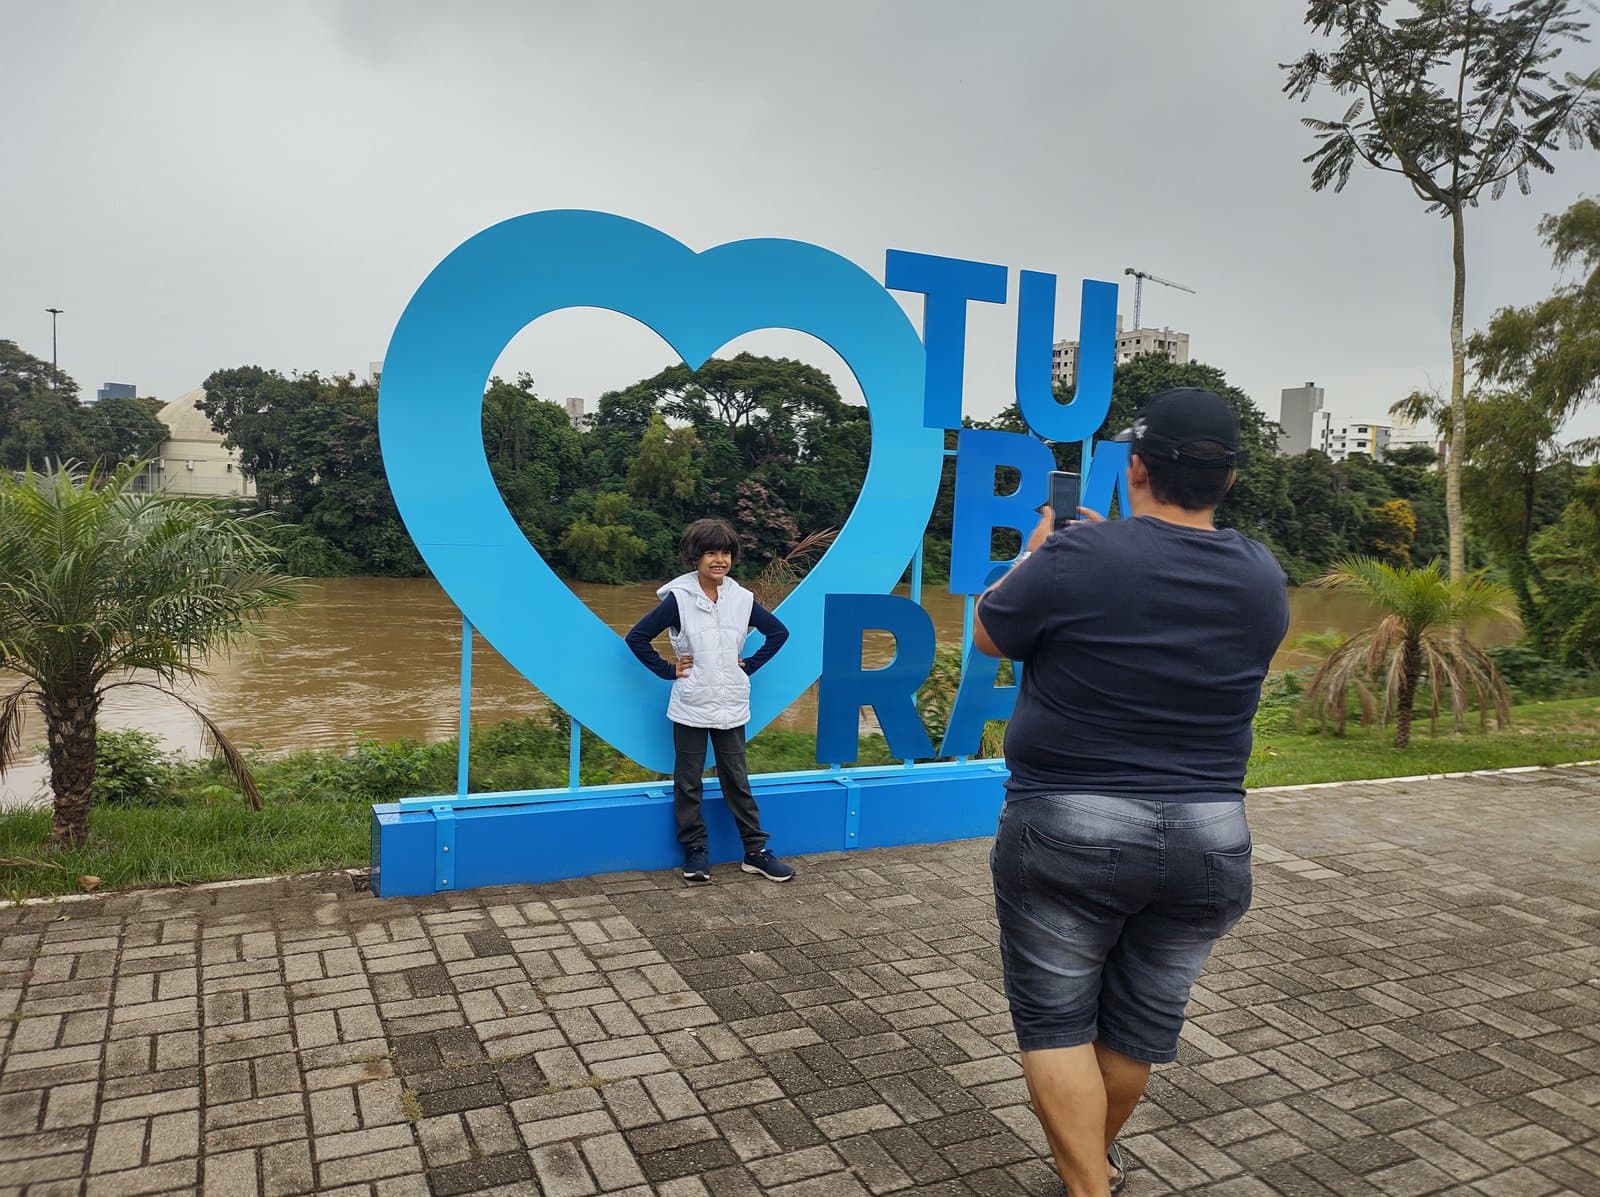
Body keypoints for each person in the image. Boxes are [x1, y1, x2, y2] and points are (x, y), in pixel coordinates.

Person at [973, 388, 1289, 1196]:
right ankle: (1097, 1165)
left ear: (1137, 467)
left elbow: (989, 631)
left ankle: (1087, 1185)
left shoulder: (1080, 554)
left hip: (1069, 824)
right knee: (1136, 1026)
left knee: (1055, 1023)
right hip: (1212, 836)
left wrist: (1038, 553)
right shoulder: (1263, 575)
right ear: (1228, 478)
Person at [625, 518, 795, 884]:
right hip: (691, 703)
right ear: (695, 557)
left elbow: (778, 633)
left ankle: (755, 851)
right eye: (711, 553)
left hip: (731, 703)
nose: (720, 560)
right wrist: (668, 670)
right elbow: (637, 637)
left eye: (726, 553)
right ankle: (696, 850)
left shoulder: (742, 599)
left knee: (737, 779)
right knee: (689, 781)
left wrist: (749, 665)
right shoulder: (679, 600)